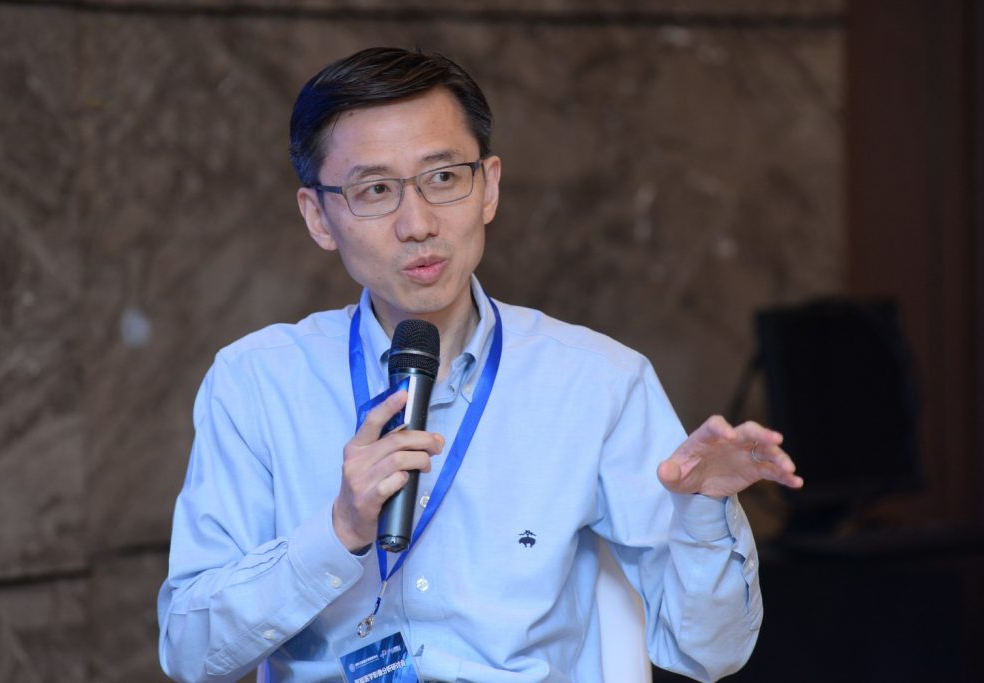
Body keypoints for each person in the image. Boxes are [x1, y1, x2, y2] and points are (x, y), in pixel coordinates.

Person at [157, 47, 803, 683]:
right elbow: (190, 653)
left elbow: (709, 651)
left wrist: (705, 511)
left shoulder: (599, 381)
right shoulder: (256, 382)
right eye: (375, 190)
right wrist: (338, 530)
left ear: (488, 187)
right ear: (319, 216)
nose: (418, 224)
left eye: (443, 178)